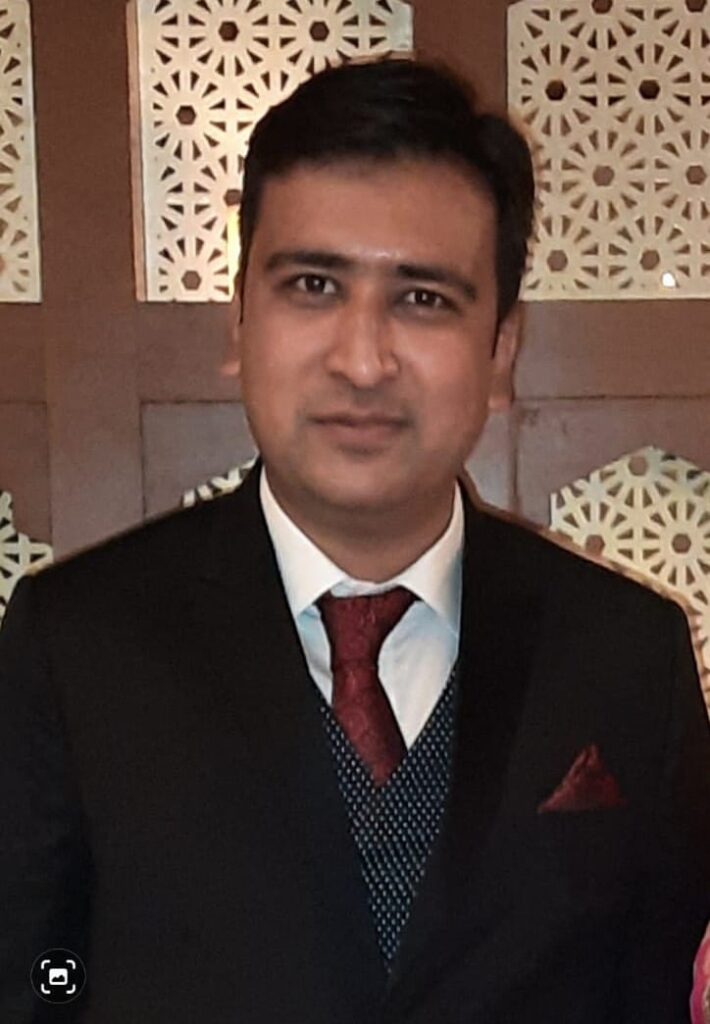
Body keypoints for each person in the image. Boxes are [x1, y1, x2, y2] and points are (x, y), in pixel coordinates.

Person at [1, 57, 708, 1024]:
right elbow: (35, 977)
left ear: (501, 351)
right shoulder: (72, 642)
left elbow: (656, 994)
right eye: (314, 285)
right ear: (241, 322)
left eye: (423, 299)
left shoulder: (629, 656)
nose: (363, 359)